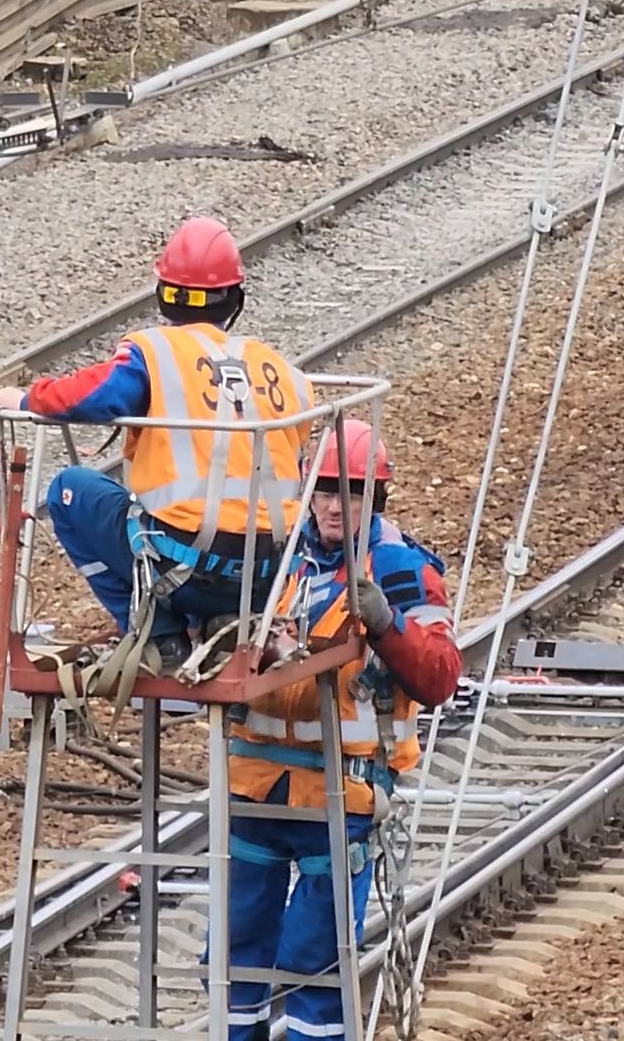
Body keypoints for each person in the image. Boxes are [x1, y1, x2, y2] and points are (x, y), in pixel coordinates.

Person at [210, 419, 464, 1041]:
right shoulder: (273, 557)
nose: (331, 505)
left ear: (373, 500)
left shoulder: (401, 569)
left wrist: (385, 621)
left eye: (348, 492)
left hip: (341, 798)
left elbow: (439, 676)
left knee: (313, 968)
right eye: (323, 490)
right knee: (231, 959)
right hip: (257, 789)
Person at [0, 216, 315, 672]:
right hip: (267, 575)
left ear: (163, 294)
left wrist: (26, 398)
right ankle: (227, 623)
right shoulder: (280, 370)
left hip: (185, 568)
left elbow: (95, 395)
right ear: (236, 299)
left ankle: (159, 636)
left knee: (71, 490)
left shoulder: (156, 353)